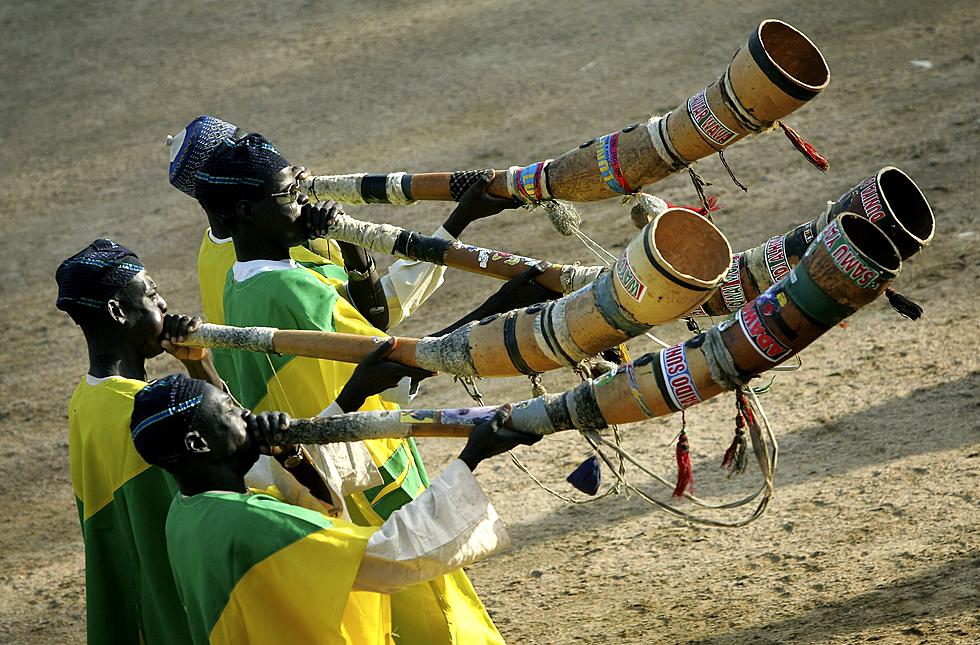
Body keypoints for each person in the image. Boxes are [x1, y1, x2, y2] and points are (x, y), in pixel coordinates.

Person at [193, 133, 559, 643]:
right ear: (246, 211)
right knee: (436, 616)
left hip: (318, 475)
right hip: (367, 479)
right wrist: (506, 302)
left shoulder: (241, 279)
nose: (303, 203)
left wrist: (451, 226)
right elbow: (398, 364)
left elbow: (373, 323)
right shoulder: (290, 292)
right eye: (288, 195)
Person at [129, 373, 541, 644]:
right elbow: (387, 555)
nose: (247, 415)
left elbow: (286, 492)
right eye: (231, 412)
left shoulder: (186, 512)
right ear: (199, 445)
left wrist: (293, 454)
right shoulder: (253, 525)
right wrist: (472, 457)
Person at [169, 115, 510, 331]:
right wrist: (460, 218)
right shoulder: (273, 249)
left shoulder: (220, 250)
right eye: (244, 152)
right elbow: (379, 317)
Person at [55, 239, 221, 644]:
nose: (163, 304)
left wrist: (195, 365)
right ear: (117, 311)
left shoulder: (85, 401)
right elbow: (242, 459)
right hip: (182, 607)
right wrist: (204, 371)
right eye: (151, 294)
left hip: (139, 610)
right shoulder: (151, 412)